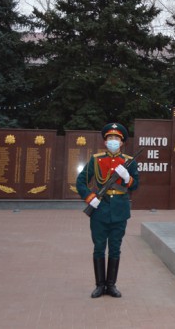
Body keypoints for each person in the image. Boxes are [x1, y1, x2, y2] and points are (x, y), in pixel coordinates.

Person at [76, 122, 139, 298]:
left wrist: (127, 178)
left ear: (122, 142)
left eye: (116, 139)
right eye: (110, 138)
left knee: (115, 248)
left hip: (119, 210)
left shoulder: (129, 161)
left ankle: (111, 285)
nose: (113, 141)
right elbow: (80, 181)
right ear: (105, 142)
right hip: (99, 210)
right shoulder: (96, 159)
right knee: (99, 247)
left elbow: (136, 185)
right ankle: (99, 285)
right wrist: (91, 198)